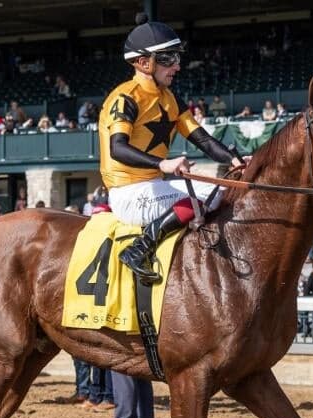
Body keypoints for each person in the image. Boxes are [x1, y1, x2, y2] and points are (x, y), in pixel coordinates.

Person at [100, 13, 248, 283]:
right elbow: (117, 149)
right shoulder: (124, 98)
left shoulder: (170, 99)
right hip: (128, 193)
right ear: (143, 62)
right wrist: (163, 164)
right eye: (168, 59)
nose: (177, 66)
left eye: (177, 58)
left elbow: (204, 140)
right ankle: (139, 249)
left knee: (222, 190)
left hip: (154, 188)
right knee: (208, 197)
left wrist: (236, 160)